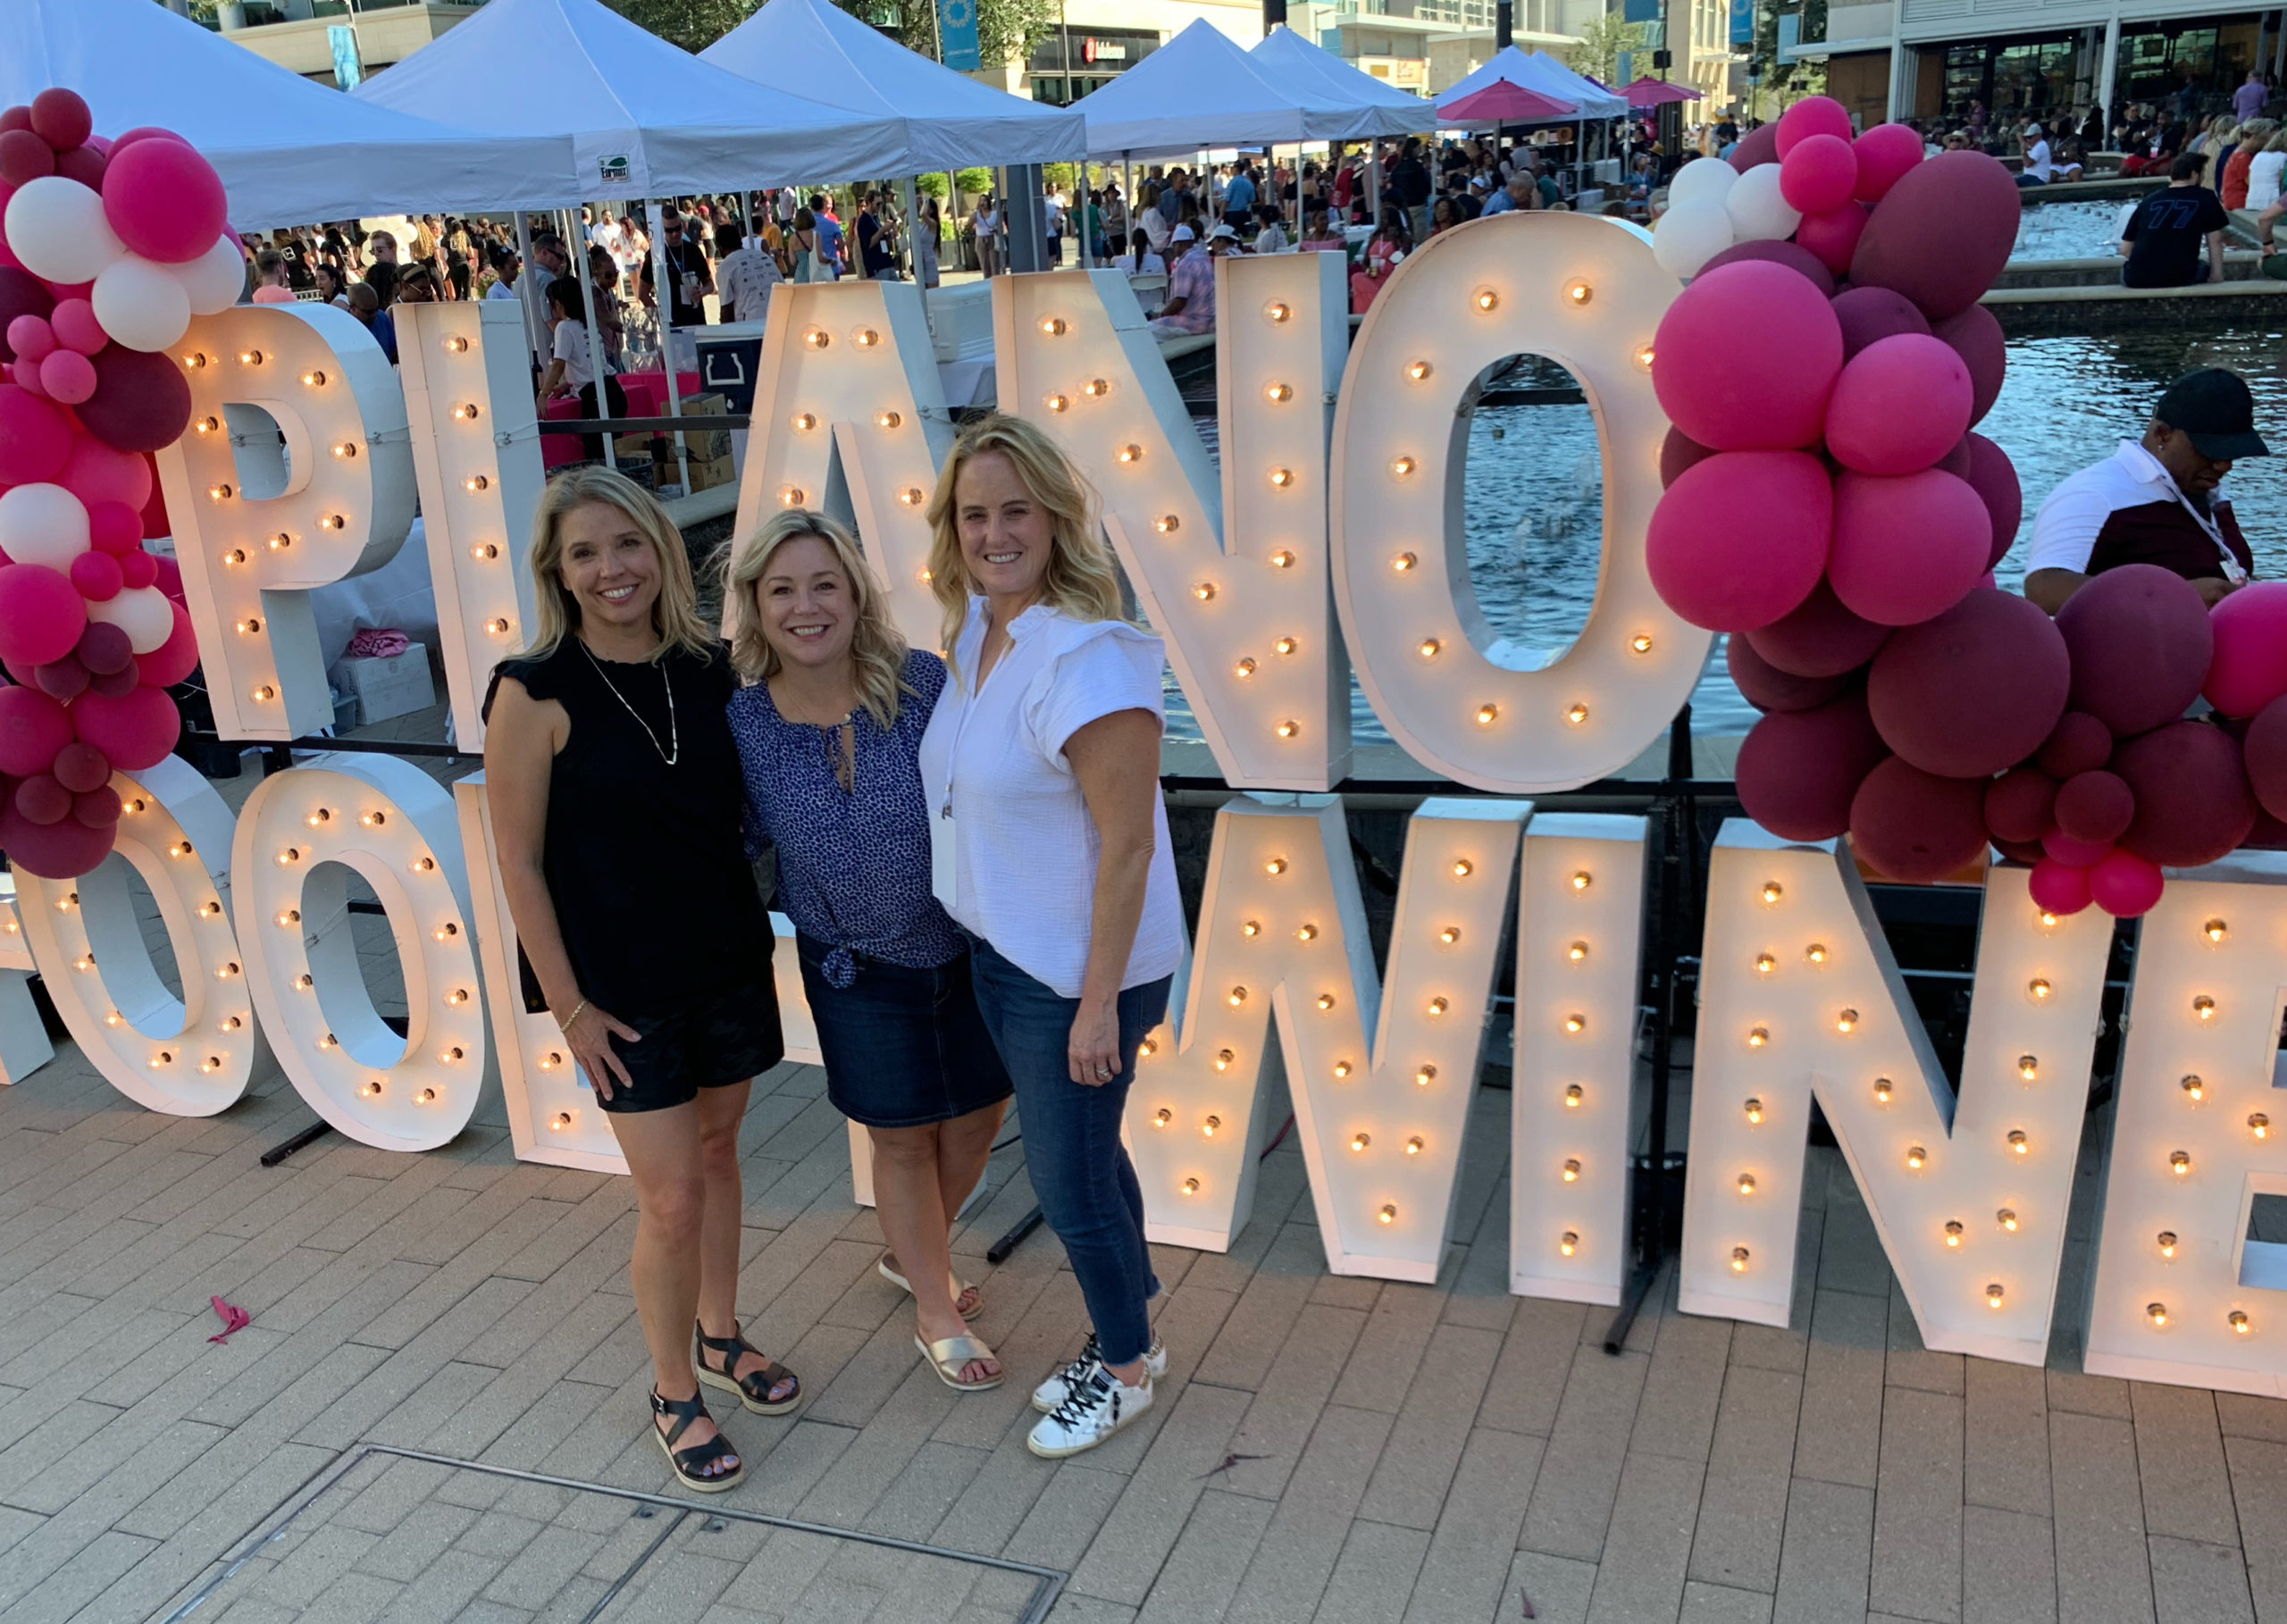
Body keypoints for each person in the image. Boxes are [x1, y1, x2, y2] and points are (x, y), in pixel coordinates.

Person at [485, 467, 799, 1496]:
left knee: (718, 1152)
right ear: (559, 573)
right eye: (585, 553)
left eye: (626, 544)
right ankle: (674, 1392)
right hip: (617, 994)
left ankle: (719, 1336)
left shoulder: (712, 668)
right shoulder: (531, 691)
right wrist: (567, 1005)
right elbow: (518, 864)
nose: (610, 568)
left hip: (724, 960)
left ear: (660, 549)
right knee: (669, 1197)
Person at [917, 414, 1185, 1458]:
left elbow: (1127, 849)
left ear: (1056, 519)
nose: (995, 532)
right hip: (1004, 951)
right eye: (975, 514)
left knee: (1069, 1187)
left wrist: (1093, 1002)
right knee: (1088, 1156)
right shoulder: (979, 635)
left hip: (1073, 975)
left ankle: (1123, 1369)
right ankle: (1135, 1327)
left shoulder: (1089, 658)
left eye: (1015, 510)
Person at [723, 509, 1014, 1394]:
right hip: (852, 967)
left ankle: (910, 1251)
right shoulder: (742, 723)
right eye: (782, 590)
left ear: (854, 594)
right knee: (898, 1140)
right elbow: (725, 839)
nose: (805, 606)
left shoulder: (923, 685)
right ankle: (933, 1300)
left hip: (965, 952)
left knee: (974, 1124)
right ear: (756, 608)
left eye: (823, 584)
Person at [2023, 368, 2265, 613]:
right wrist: (2173, 595)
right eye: (2210, 450)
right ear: (2163, 434)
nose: (2224, 465)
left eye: (2232, 452)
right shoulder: (2095, 495)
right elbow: (2044, 588)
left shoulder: (2204, 488)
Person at [534, 277, 630, 464]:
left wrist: (543, 394)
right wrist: (566, 383)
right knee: (612, 453)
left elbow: (558, 364)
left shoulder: (564, 327)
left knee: (597, 456)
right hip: (614, 390)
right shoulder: (588, 323)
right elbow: (588, 362)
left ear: (558, 304)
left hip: (595, 397)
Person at [2120, 153, 2230, 288]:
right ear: (2194, 174)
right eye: (2204, 172)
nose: (2204, 177)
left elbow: (2125, 249)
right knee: (2202, 267)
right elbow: (2216, 239)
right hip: (2181, 276)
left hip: (2136, 278)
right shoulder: (2205, 197)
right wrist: (2217, 275)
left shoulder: (2148, 201)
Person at [640, 209, 716, 331]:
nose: (674, 234)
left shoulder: (693, 250)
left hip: (696, 318)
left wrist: (703, 291)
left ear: (682, 226)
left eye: (677, 229)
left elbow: (710, 283)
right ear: (662, 230)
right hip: (672, 322)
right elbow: (643, 293)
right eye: (669, 231)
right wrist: (660, 315)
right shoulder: (655, 254)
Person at [1146, 223, 1214, 338]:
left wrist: (1161, 315)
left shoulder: (1185, 264)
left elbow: (1179, 302)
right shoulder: (1204, 259)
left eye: (1174, 246)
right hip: (1211, 321)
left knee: (1147, 330)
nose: (1173, 250)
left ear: (1180, 245)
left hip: (1195, 322)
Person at [713, 221, 781, 324]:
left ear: (720, 247)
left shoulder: (725, 267)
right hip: (779, 319)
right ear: (740, 240)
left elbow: (726, 309)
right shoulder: (764, 257)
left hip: (750, 327)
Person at [2017, 122, 2055, 187]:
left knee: (2011, 183)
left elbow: (2028, 163)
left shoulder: (2041, 145)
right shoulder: (2035, 146)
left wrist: (2023, 151)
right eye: (2026, 138)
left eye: (2030, 137)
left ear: (2038, 136)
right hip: (2031, 177)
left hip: (2038, 178)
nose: (2028, 140)